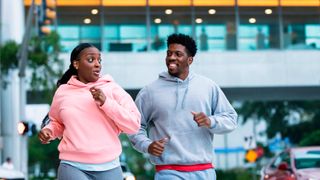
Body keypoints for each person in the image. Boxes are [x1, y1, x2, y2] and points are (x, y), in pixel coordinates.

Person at [129, 33, 238, 180]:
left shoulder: (208, 87)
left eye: (178, 54)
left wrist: (210, 121)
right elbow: (133, 127)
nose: (171, 57)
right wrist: (147, 145)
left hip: (204, 171)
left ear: (190, 60)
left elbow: (231, 119)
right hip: (168, 172)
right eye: (169, 53)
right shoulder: (150, 92)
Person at [38, 43, 141, 180]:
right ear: (76, 64)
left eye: (99, 60)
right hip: (72, 165)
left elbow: (134, 124)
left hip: (109, 166)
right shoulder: (63, 92)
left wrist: (106, 103)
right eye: (91, 60)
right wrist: (49, 131)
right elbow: (57, 123)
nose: (97, 64)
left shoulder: (112, 89)